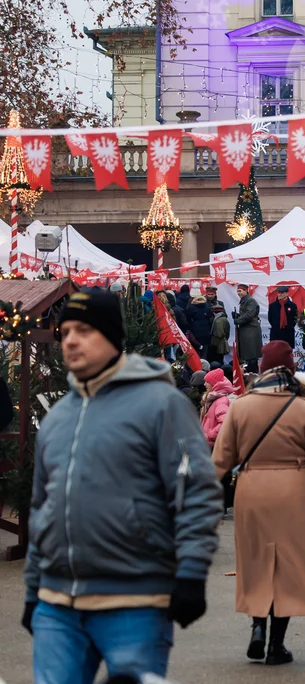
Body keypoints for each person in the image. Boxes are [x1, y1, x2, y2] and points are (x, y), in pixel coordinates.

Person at [24, 290, 221, 683]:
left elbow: (196, 491)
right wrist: (34, 590)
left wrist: (192, 573)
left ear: (112, 337)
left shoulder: (161, 404)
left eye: (83, 330)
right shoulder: (58, 418)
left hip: (135, 600)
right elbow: (41, 506)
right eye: (64, 332)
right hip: (57, 605)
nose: (70, 341)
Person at [212, 341, 305, 666]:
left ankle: (256, 628)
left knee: (255, 560)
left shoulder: (240, 407)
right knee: (287, 566)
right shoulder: (303, 408)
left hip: (251, 491)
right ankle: (277, 644)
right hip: (293, 492)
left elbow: (220, 459)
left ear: (263, 369)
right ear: (290, 370)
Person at [201, 368, 236, 450]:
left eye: (207, 382)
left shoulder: (220, 401)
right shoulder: (214, 399)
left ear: (214, 383)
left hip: (214, 446)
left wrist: (210, 435)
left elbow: (225, 423)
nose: (204, 384)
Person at [233, 283, 262, 370]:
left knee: (251, 354)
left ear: (246, 291)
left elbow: (249, 314)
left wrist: (238, 320)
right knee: (248, 354)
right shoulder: (245, 301)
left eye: (240, 291)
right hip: (247, 329)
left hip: (250, 330)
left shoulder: (250, 301)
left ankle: (253, 372)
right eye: (237, 291)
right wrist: (237, 315)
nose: (238, 293)